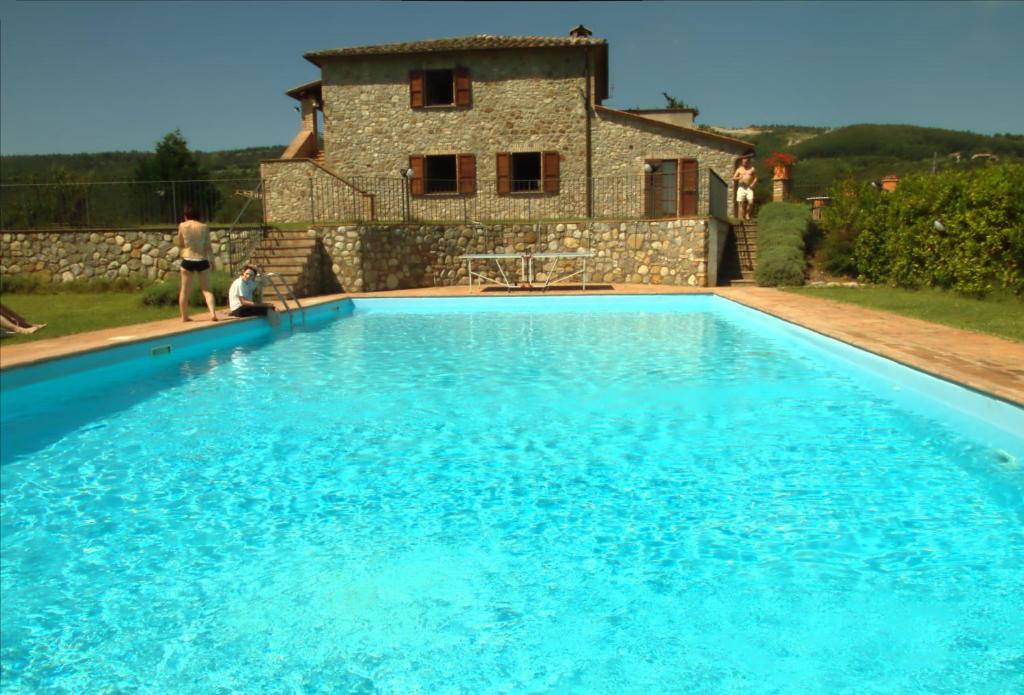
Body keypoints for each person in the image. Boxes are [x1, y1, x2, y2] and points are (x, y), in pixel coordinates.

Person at [177, 204, 218, 322]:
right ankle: (212, 313)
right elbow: (208, 246)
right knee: (207, 290)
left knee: (185, 290)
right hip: (202, 259)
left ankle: (184, 316)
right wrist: (212, 261)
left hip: (188, 259)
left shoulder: (182, 225)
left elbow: (181, 242)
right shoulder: (204, 227)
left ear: (186, 215)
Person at [732, 156, 758, 222]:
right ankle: (743, 218)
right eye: (743, 162)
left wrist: (752, 184)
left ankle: (747, 214)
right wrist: (739, 177)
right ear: (742, 162)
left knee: (751, 202)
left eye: (746, 162)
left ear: (748, 162)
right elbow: (733, 178)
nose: (744, 163)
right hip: (741, 188)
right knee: (741, 203)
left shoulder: (752, 169)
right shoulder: (739, 169)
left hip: (749, 187)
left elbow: (756, 178)